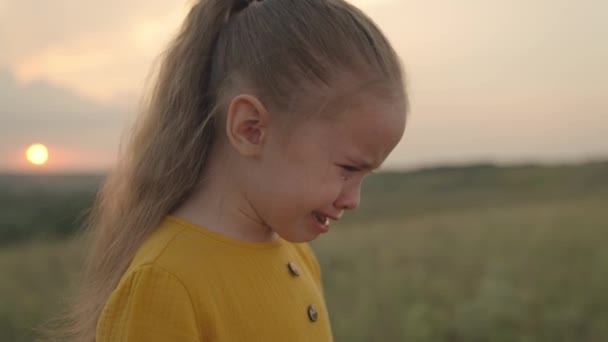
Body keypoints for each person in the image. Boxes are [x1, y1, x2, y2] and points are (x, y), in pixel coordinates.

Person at [56, 0, 409, 340]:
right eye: (348, 168)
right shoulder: (166, 281)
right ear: (250, 128)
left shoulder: (294, 253)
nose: (354, 200)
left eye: (366, 175)